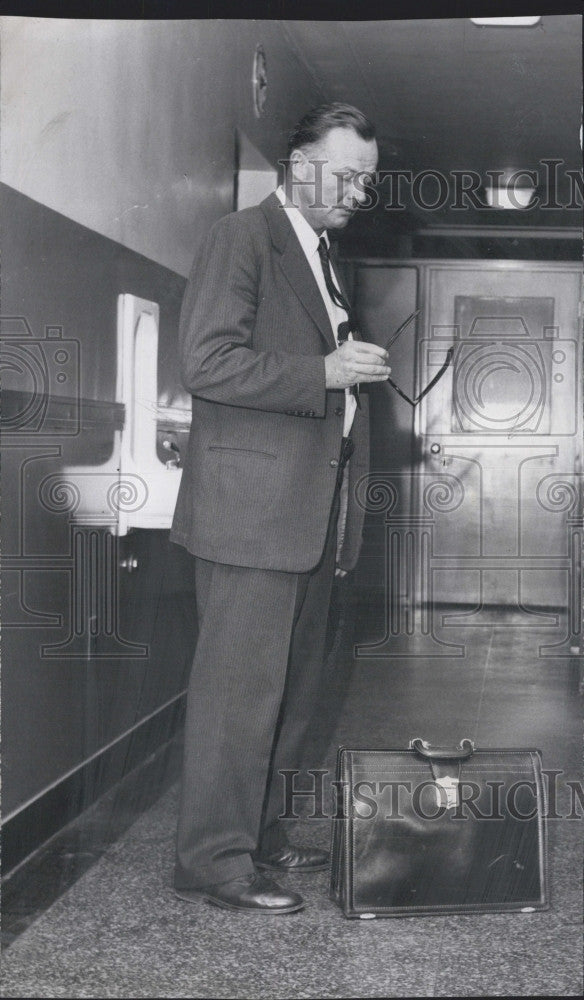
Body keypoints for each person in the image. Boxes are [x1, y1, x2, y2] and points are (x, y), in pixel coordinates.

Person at [170, 103, 390, 914]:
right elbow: (207, 360)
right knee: (239, 695)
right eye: (344, 172)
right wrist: (325, 375)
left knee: (292, 695)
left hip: (311, 517)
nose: (357, 191)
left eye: (367, 178)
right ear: (298, 164)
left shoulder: (325, 255)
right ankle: (214, 861)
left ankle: (260, 837)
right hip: (252, 515)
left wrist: (337, 377)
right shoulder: (242, 236)